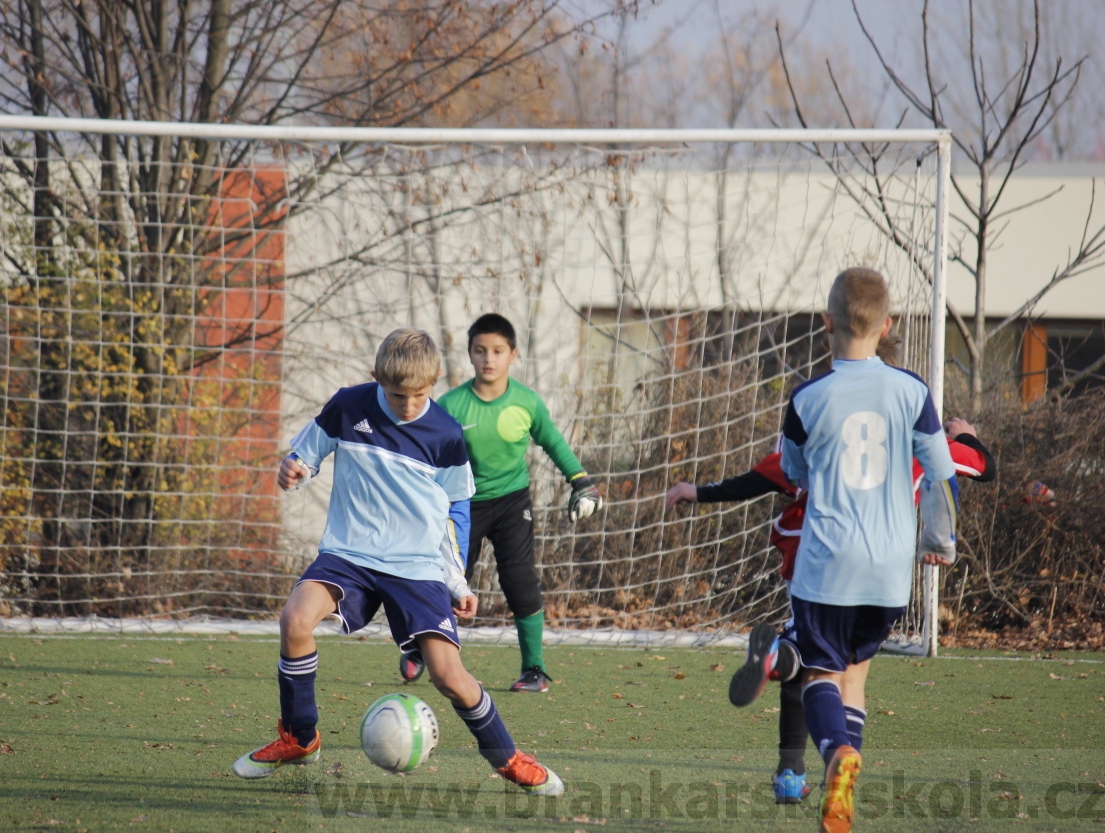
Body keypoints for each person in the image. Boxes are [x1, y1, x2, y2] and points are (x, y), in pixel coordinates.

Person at [665, 329, 994, 806]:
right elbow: (978, 468)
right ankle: (810, 759)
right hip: (883, 561)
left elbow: (770, 474)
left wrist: (701, 492)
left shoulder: (820, 404)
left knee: (810, 661)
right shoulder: (917, 424)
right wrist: (964, 437)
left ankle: (790, 765)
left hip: (818, 550)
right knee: (849, 673)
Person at [232, 328, 563, 796]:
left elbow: (456, 512)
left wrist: (457, 582)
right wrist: (294, 470)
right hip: (349, 554)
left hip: (417, 565)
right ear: (375, 379)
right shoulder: (348, 405)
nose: (409, 406)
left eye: (420, 395)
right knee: (295, 619)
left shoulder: (446, 434)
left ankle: (508, 758)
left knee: (449, 677)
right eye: (397, 395)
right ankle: (300, 738)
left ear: (435, 383)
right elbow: (305, 455)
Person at [765, 268, 957, 832]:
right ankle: (842, 789)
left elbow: (795, 471)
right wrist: (939, 540)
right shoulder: (912, 391)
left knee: (819, 677)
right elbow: (943, 475)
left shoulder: (807, 399)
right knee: (856, 677)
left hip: (828, 566)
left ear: (825, 323)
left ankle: (838, 759)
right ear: (887, 324)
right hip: (889, 572)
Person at [400, 313, 602, 693]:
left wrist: (582, 481)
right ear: (470, 355)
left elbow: (554, 443)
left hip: (512, 504)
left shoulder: (527, 402)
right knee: (446, 579)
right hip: (462, 503)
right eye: (479, 351)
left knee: (520, 581)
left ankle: (535, 670)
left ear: (513, 354)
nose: (488, 359)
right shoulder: (451, 405)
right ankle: (418, 647)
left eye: (497, 351)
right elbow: (422, 451)